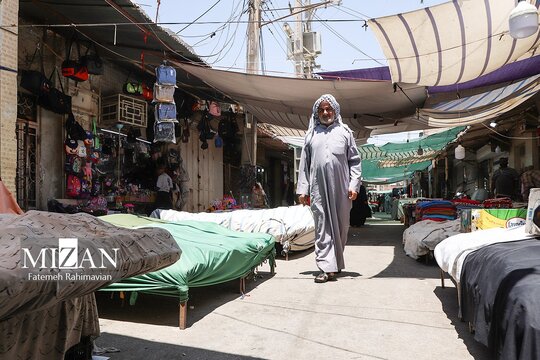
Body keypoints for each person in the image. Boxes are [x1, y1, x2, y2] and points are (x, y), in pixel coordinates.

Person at [296, 94, 362, 283]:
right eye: (322, 110)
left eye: (329, 109)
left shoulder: (345, 132)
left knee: (341, 226)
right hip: (318, 188)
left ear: (335, 110)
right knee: (322, 225)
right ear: (317, 113)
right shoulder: (311, 135)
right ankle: (326, 266)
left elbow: (355, 161)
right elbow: (304, 164)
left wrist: (353, 185)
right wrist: (303, 189)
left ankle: (336, 263)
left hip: (341, 188)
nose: (325, 112)